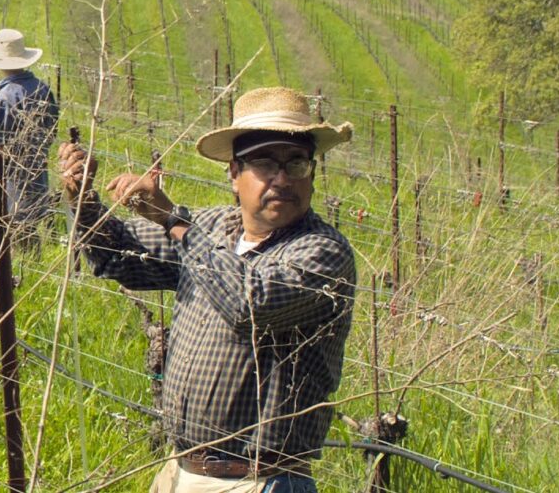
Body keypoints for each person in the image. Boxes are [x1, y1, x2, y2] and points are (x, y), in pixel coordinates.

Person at [56, 86, 357, 492]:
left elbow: (248, 304)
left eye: (297, 164)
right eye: (265, 164)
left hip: (260, 480)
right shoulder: (216, 227)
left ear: (313, 174)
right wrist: (83, 199)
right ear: (234, 173)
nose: (282, 179)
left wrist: (174, 222)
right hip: (182, 470)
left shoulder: (323, 252)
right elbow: (120, 258)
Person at [0, 28, 61, 238]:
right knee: (28, 232)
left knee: (9, 236)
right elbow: (51, 131)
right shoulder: (42, 88)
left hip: (7, 180)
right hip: (36, 174)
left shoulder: (4, 98)